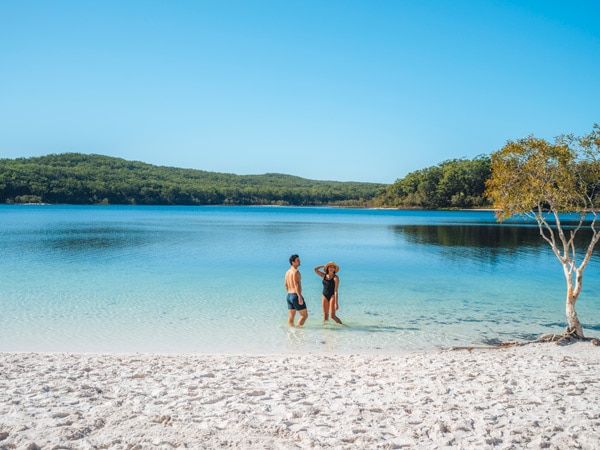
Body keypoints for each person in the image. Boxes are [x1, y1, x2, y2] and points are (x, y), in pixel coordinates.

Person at [285, 254, 308, 327]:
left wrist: (290, 295)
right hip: (295, 295)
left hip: (289, 296)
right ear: (293, 262)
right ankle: (297, 330)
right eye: (297, 261)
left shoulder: (287, 272)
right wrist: (299, 296)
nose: (299, 261)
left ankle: (290, 331)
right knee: (304, 315)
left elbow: (286, 284)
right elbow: (296, 284)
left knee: (291, 316)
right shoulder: (295, 272)